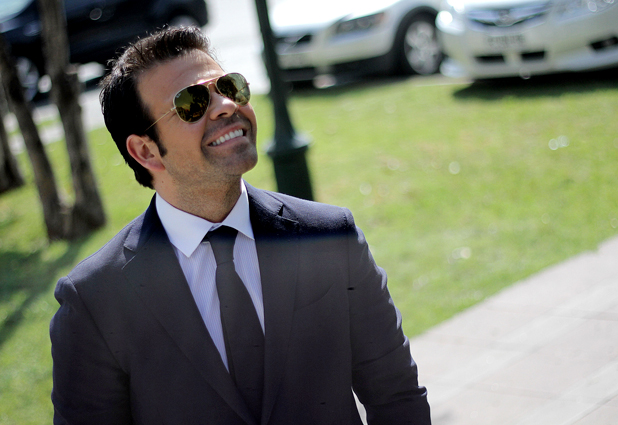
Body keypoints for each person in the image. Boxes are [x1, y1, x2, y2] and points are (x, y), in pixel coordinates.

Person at [49, 26, 431, 425]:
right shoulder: (95, 299)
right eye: (193, 102)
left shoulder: (331, 236)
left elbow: (397, 395)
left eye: (228, 86)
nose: (226, 105)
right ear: (146, 151)